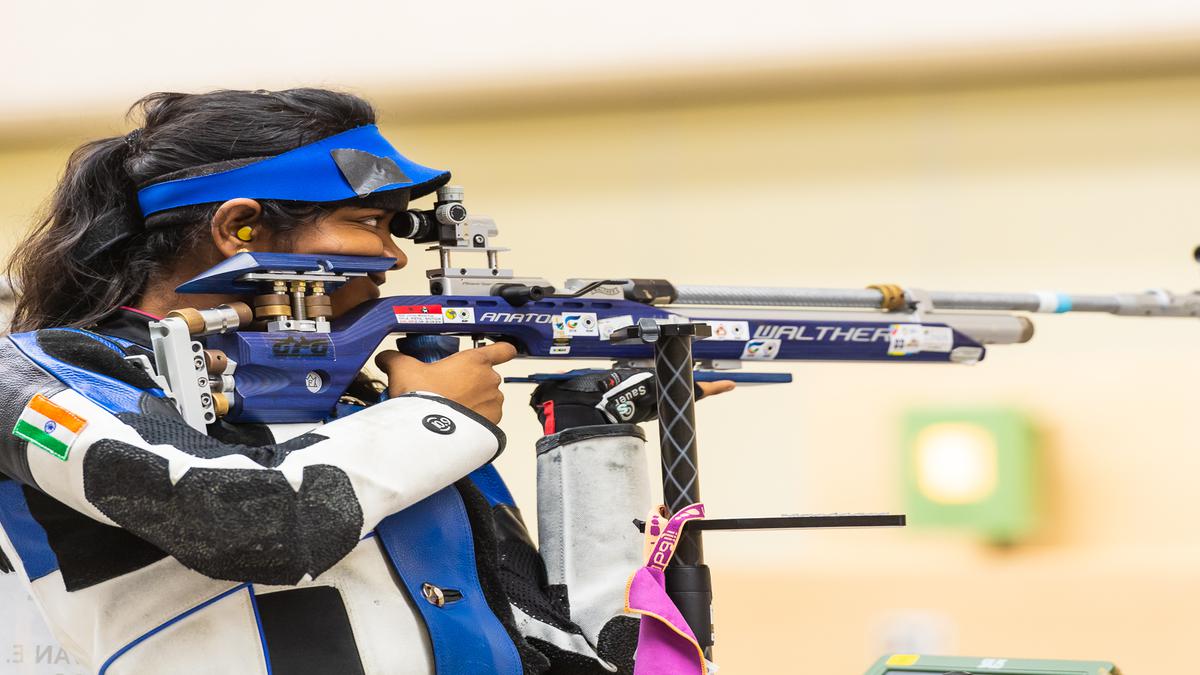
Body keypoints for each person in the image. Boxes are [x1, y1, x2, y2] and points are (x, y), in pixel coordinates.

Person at [0, 89, 731, 675]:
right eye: (368, 223)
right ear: (240, 227)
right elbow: (249, 523)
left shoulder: (366, 416)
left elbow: (559, 644)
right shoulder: (36, 377)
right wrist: (434, 415)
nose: (393, 258)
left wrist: (586, 431)